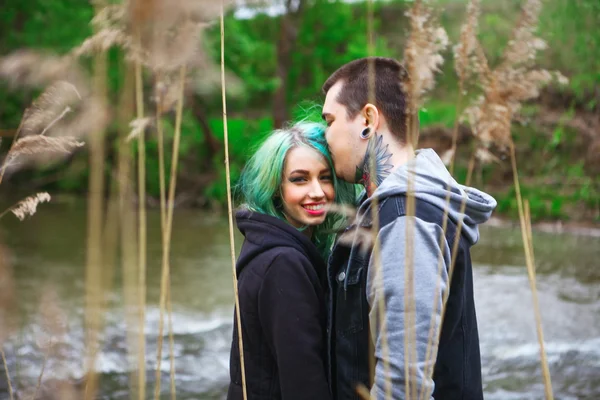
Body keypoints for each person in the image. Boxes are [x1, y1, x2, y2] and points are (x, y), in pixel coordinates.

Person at [321, 57, 497, 399]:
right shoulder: (384, 212)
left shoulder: (405, 221)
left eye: (330, 120)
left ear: (368, 120)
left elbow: (403, 387)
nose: (325, 135)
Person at [227, 122, 353, 400]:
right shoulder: (284, 263)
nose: (318, 192)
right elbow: (304, 383)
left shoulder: (269, 246)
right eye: (300, 179)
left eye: (325, 177)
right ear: (275, 188)